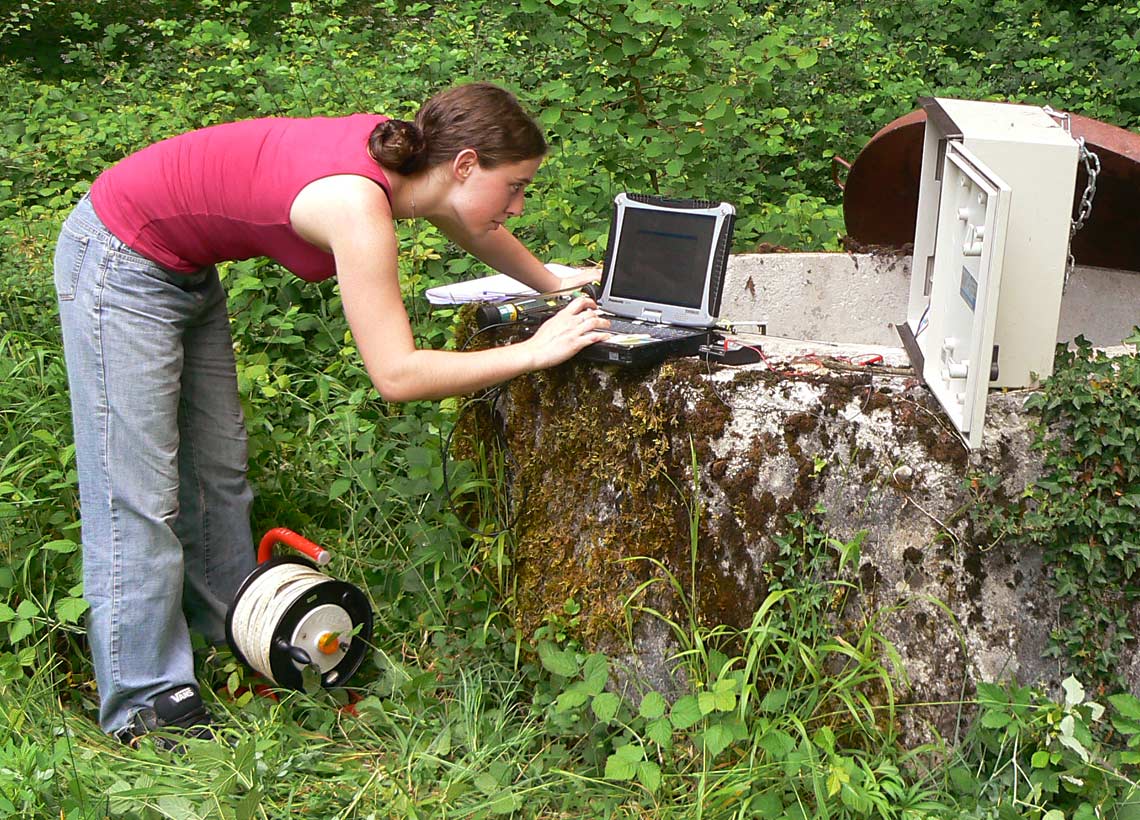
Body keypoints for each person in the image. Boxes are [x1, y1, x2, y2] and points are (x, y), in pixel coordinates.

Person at [53, 82, 610, 744]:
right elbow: (397, 375)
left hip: (187, 267)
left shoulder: (413, 161)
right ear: (464, 165)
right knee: (138, 496)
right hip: (121, 257)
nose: (517, 205)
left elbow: (473, 222)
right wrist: (534, 354)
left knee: (217, 473)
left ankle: (240, 639)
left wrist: (558, 282)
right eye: (514, 187)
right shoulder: (357, 204)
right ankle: (145, 706)